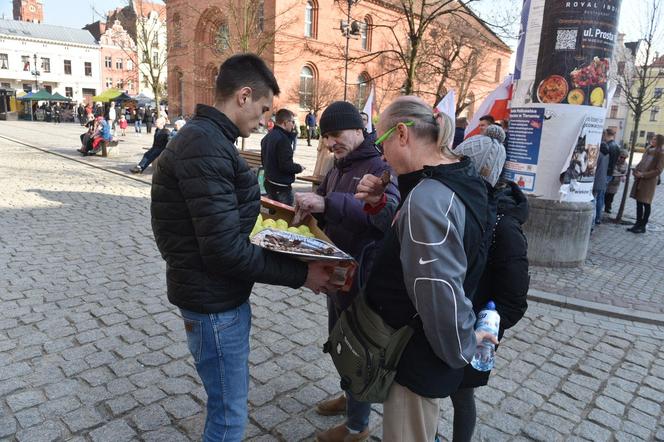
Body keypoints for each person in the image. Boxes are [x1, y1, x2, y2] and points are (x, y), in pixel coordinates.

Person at [150, 53, 332, 441]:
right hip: (213, 304)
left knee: (227, 406)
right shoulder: (205, 145)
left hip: (213, 296)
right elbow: (223, 250)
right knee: (229, 416)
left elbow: (220, 222)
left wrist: (279, 221)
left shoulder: (209, 139)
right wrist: (302, 274)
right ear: (244, 96)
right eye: (265, 109)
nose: (266, 121)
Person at [353, 97, 494, 441]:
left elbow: (440, 292)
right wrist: (380, 204)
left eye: (381, 143)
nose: (381, 157)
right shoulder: (453, 176)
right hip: (416, 350)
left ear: (402, 134)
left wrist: (464, 346)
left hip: (416, 357)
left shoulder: (430, 199)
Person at [294, 100, 400, 442]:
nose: (329, 143)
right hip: (337, 271)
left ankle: (357, 426)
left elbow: (386, 214)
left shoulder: (380, 166)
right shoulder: (338, 166)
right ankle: (352, 396)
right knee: (340, 342)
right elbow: (325, 203)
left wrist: (327, 204)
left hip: (363, 276)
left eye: (335, 134)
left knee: (358, 349)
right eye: (325, 137)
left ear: (358, 129)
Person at [450, 126, 529, 442]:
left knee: (462, 394)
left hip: (478, 329)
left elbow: (513, 299)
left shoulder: (504, 227)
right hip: (450, 319)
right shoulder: (460, 206)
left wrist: (481, 332)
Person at [260, 108, 303, 205]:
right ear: (285, 122)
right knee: (284, 217)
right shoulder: (283, 140)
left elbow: (264, 160)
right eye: (292, 122)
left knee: (273, 216)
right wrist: (299, 168)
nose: (293, 125)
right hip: (281, 187)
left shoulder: (268, 136)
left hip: (269, 182)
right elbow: (285, 165)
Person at [628, 134, 664, 233]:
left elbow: (658, 170)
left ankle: (643, 226)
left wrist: (643, 175)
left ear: (660, 141)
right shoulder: (648, 149)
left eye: (655, 139)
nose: (653, 140)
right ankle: (637, 224)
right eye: (652, 138)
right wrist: (636, 170)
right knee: (638, 203)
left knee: (646, 203)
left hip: (648, 182)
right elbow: (641, 162)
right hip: (640, 179)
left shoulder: (661, 153)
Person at [604, 149, 629, 213]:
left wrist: (622, 175)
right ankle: (604, 206)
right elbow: (613, 172)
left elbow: (626, 172)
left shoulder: (625, 164)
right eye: (621, 157)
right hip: (610, 182)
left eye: (624, 158)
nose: (622, 159)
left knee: (611, 196)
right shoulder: (614, 162)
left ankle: (608, 207)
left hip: (616, 183)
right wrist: (622, 175)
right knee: (606, 195)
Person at [592, 142, 609, 225]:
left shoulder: (598, 155)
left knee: (593, 201)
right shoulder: (606, 154)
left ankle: (593, 221)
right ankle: (597, 218)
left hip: (596, 181)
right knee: (599, 200)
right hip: (602, 180)